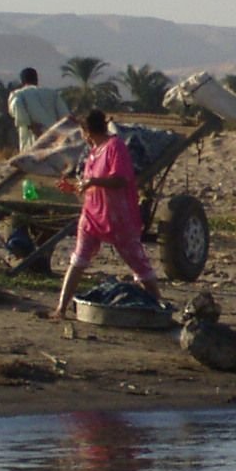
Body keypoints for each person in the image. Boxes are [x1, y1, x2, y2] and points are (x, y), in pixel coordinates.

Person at [50, 109, 162, 321]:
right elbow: (92, 186)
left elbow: (120, 180)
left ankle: (160, 306)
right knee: (78, 259)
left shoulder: (115, 147)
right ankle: (61, 309)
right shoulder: (93, 152)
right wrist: (75, 188)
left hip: (118, 217)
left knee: (138, 263)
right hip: (93, 215)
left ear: (87, 131)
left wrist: (92, 182)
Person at [7, 67, 69, 151]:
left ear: (22, 81)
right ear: (36, 79)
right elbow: (65, 116)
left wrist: (30, 126)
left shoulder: (18, 95)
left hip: (32, 137)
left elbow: (17, 107)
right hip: (55, 137)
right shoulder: (52, 93)